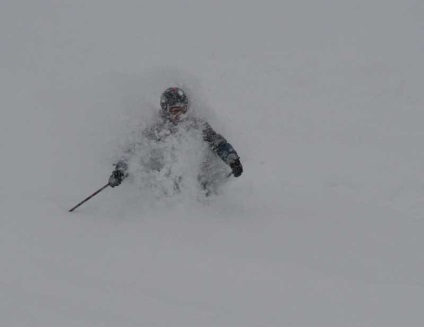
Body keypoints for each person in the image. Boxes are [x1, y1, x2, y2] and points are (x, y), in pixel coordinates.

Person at [108, 87, 243, 195]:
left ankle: (205, 195)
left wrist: (232, 160)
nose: (181, 115)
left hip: (195, 183)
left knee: (205, 161)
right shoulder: (157, 130)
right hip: (164, 182)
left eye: (184, 110)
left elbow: (218, 143)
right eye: (175, 110)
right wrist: (120, 171)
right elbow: (134, 151)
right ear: (166, 111)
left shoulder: (196, 126)